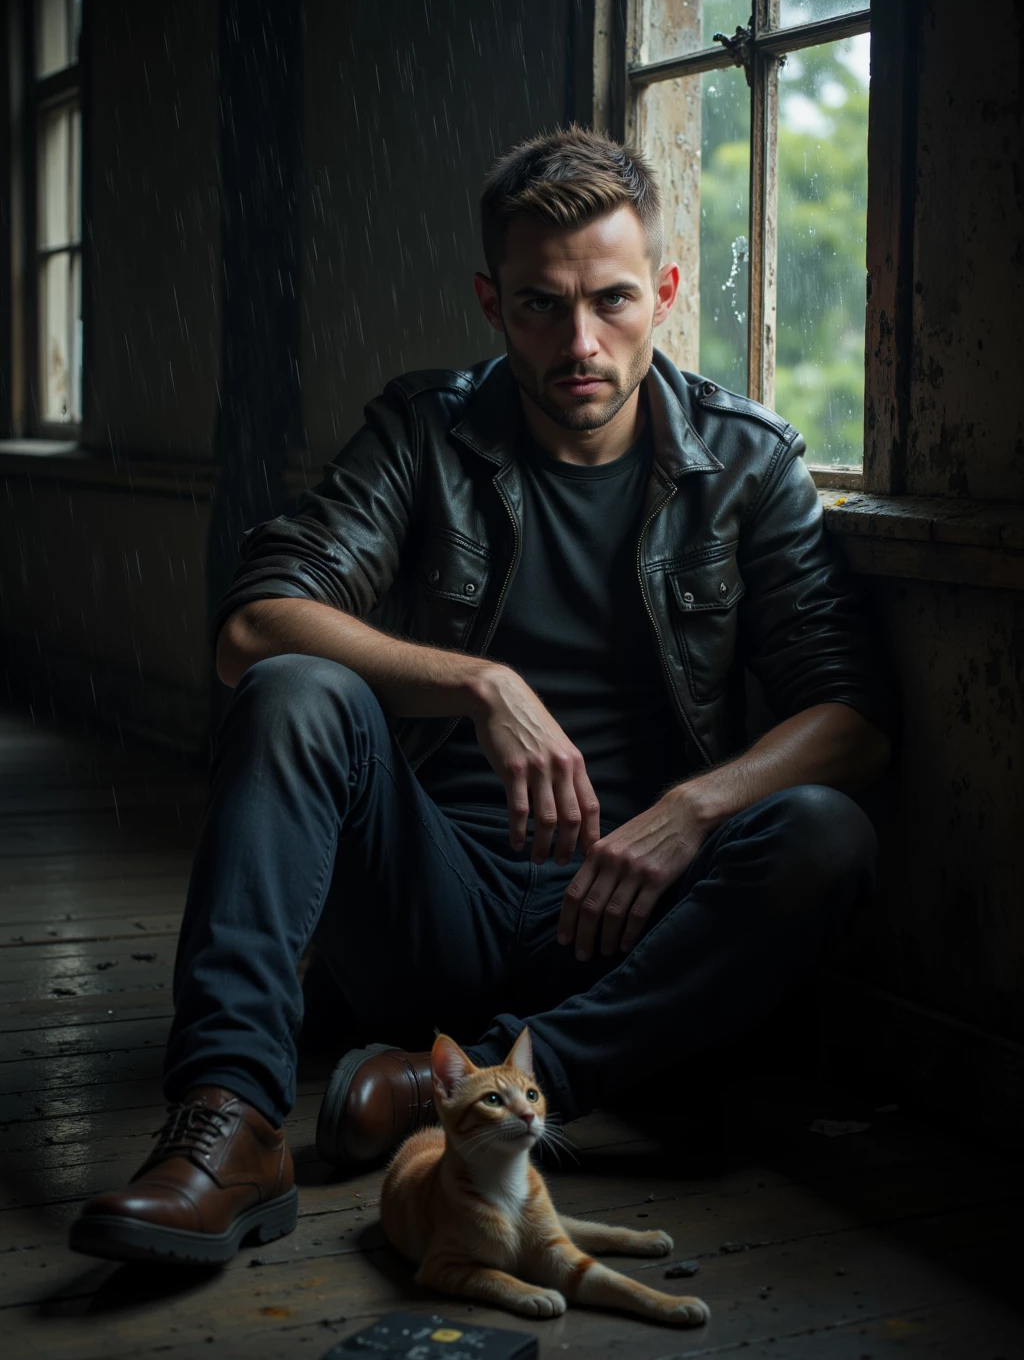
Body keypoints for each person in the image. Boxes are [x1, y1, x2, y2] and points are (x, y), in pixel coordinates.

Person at [69, 125, 892, 1266]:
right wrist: (480, 683)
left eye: (610, 301)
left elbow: (851, 723)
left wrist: (692, 810)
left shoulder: (746, 463)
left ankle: (481, 1075)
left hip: (626, 924)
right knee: (295, 690)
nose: (579, 343)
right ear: (490, 301)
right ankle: (230, 1126)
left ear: (662, 290)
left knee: (823, 831)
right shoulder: (428, 429)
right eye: (539, 307)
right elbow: (252, 625)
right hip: (429, 900)